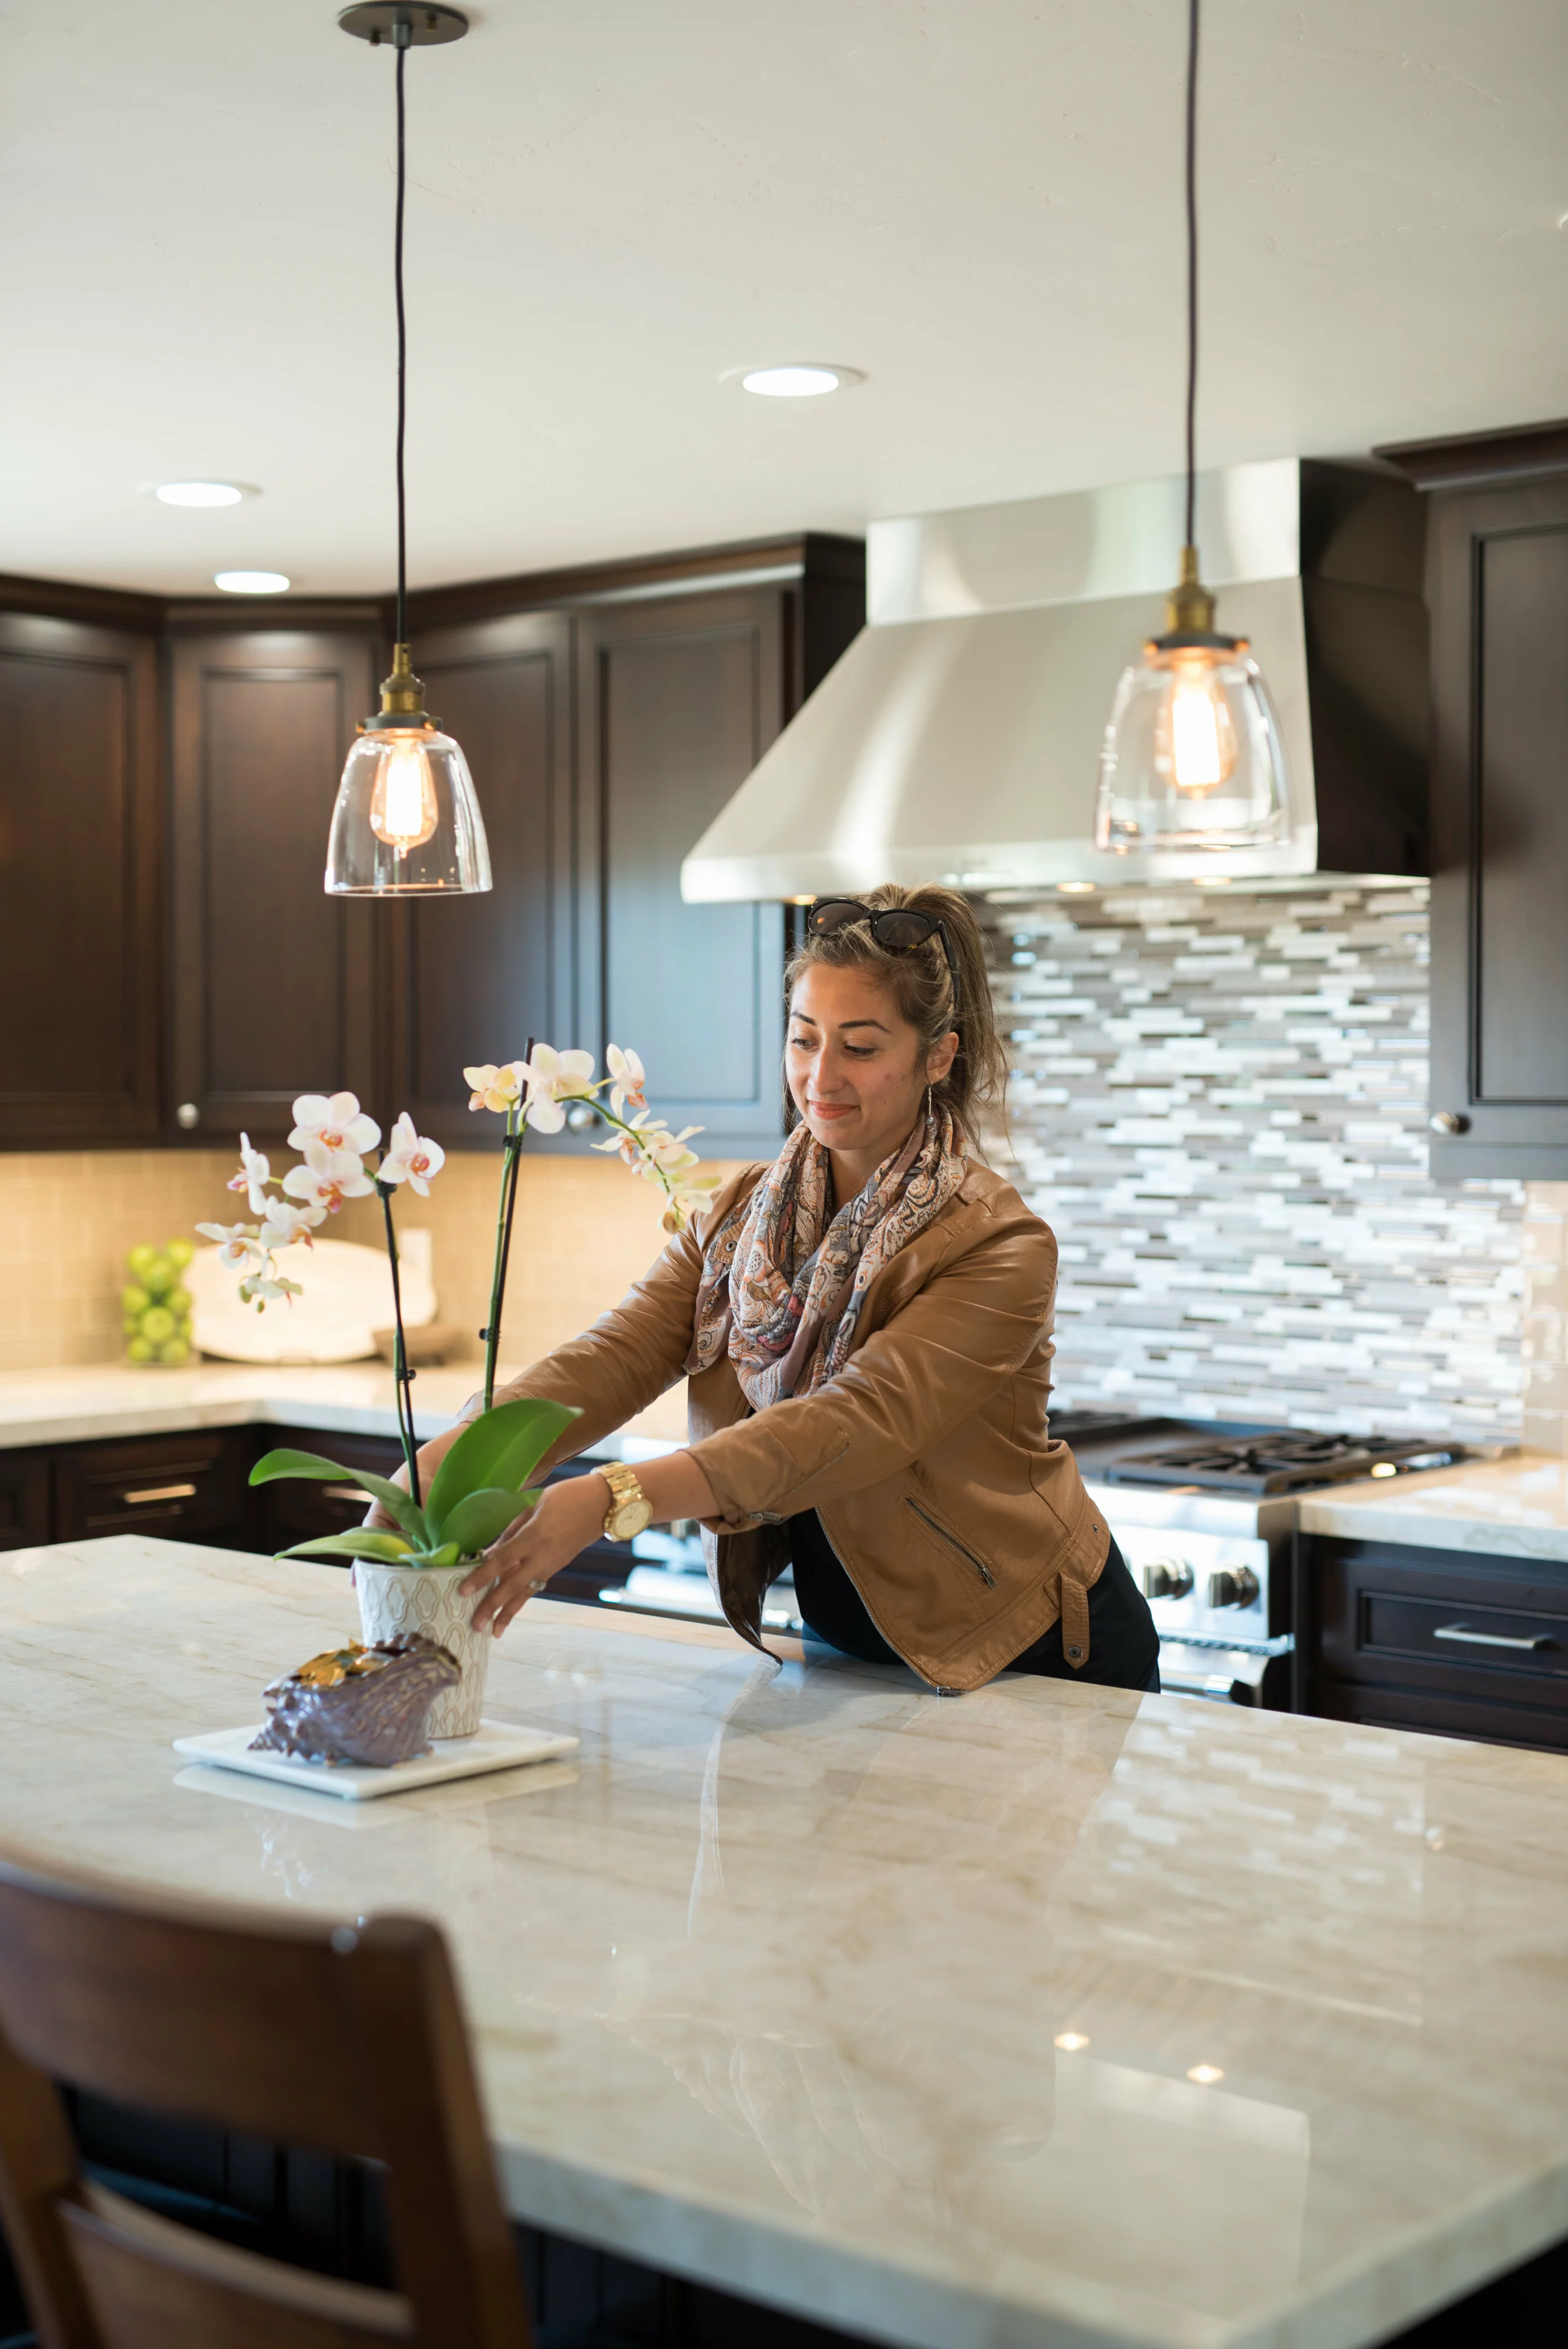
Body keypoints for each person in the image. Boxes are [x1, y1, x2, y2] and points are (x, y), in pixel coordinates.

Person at [387, 886, 1159, 1695]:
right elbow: (617, 1353)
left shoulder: (998, 1244)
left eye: (859, 1048)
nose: (819, 1076)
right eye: (803, 1040)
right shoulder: (746, 1214)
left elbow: (853, 1423)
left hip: (1032, 1648)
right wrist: (454, 1459)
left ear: (938, 1056)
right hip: (855, 1644)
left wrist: (614, 1495)